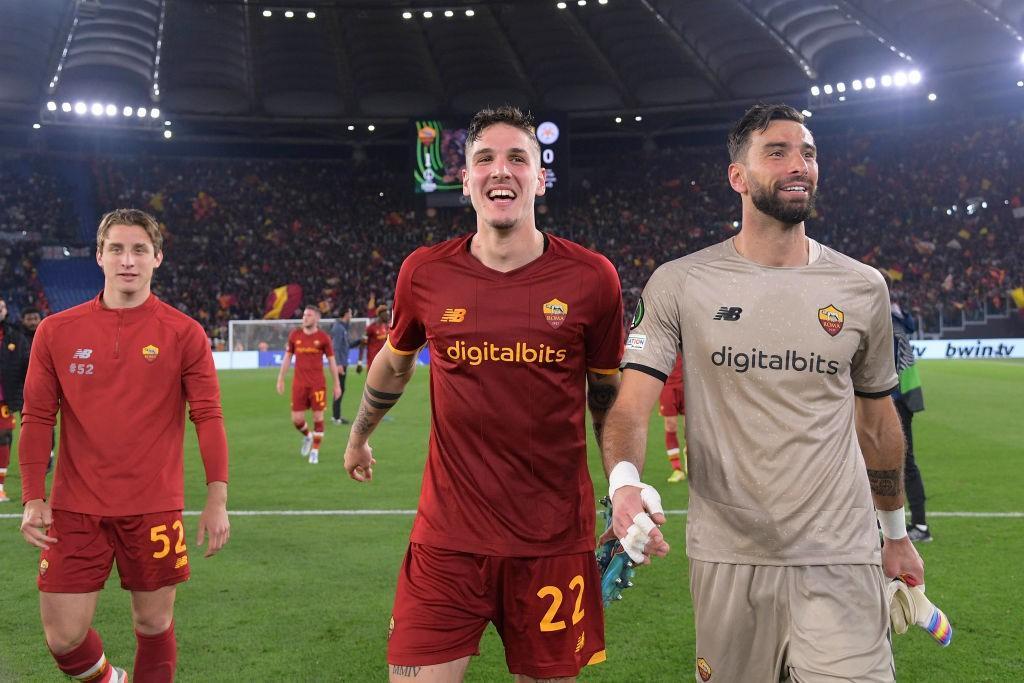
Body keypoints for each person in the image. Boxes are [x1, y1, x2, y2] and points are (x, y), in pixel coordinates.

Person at [601, 104, 924, 682]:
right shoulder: (681, 282)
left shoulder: (861, 286)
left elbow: (877, 424)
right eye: (776, 152)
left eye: (808, 152)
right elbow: (630, 407)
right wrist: (624, 485)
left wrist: (895, 536)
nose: (798, 164)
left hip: (841, 553)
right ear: (738, 177)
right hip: (730, 554)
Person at [344, 105, 625, 682]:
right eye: (485, 160)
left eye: (518, 158)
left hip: (552, 539)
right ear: (466, 180)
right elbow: (394, 367)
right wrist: (358, 437)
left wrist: (621, 486)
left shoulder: (592, 278)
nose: (502, 170)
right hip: (448, 538)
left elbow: (607, 398)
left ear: (540, 177)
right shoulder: (425, 272)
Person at [18, 208, 230, 683]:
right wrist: (33, 495)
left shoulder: (184, 332)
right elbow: (36, 417)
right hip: (74, 507)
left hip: (153, 506)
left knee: (152, 624)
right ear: (99, 257)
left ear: (157, 257)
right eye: (116, 248)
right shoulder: (56, 331)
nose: (127, 260)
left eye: (139, 249)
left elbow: (208, 416)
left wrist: (217, 496)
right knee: (63, 638)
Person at [884, 273, 931, 542]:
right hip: (906, 397)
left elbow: (884, 369)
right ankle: (918, 525)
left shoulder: (887, 318)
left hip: (896, 399)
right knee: (903, 463)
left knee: (898, 463)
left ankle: (920, 526)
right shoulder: (895, 314)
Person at [276, 305, 342, 464]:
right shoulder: (295, 335)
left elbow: (332, 362)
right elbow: (287, 358)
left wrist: (337, 384)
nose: (305, 317)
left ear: (317, 318)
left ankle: (315, 452)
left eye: (309, 315)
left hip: (318, 385)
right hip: (299, 384)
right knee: (297, 419)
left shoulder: (324, 338)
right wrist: (280, 378)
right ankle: (308, 436)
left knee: (318, 417)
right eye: (304, 315)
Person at [0, 296, 30, 503]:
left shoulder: (15, 336)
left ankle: (0, 487)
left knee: (3, 439)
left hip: (4, 399)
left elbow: (25, 365)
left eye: (1, 306)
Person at [660, 354, 688, 483]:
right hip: (668, 384)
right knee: (670, 425)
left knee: (690, 427)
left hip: (688, 383)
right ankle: (677, 469)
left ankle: (690, 455)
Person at [330, 307, 353, 424]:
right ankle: (336, 417)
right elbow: (336, 347)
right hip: (340, 363)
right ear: (346, 314)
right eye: (350, 313)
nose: (352, 315)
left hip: (343, 362)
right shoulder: (339, 328)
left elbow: (347, 345)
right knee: (339, 389)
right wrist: (338, 364)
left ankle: (336, 416)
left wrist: (361, 341)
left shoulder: (343, 327)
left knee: (341, 388)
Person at [357, 304, 390, 373]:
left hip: (383, 362)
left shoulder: (385, 327)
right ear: (381, 315)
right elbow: (362, 345)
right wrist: (360, 362)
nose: (388, 317)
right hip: (373, 363)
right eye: (387, 315)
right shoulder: (371, 328)